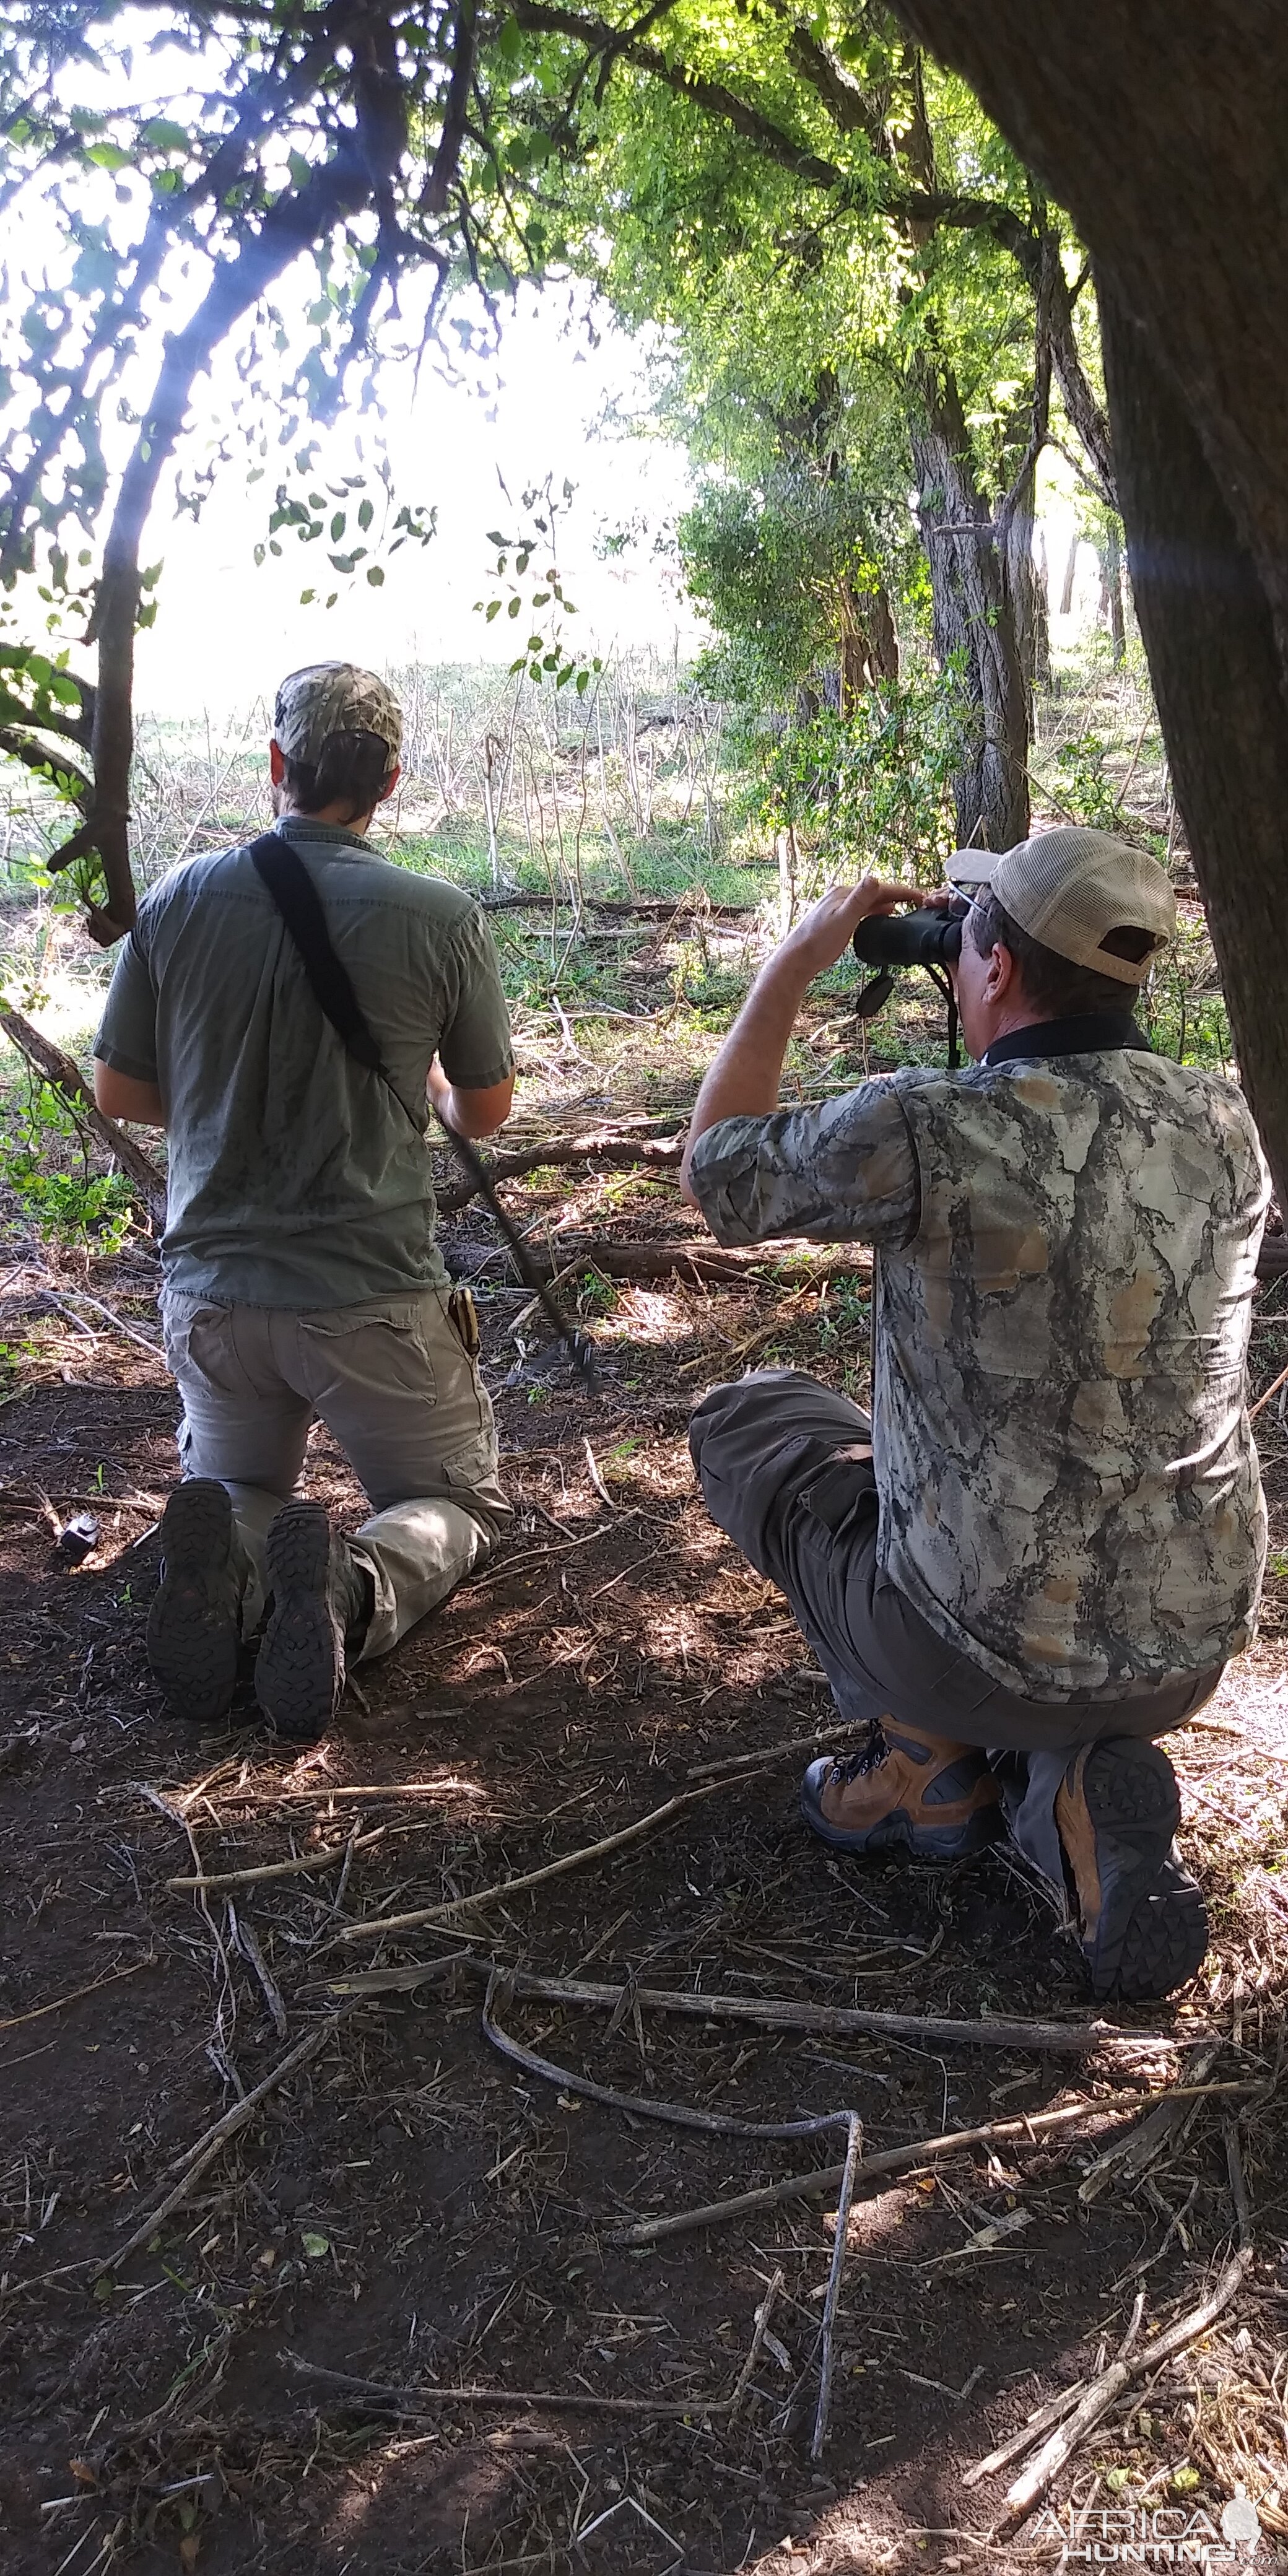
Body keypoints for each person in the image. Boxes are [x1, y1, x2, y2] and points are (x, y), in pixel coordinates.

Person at [681, 829, 1269, 2002]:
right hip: (1191, 1641)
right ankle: (1071, 1802)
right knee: (1039, 1573)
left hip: (970, 1641)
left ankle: (924, 1760)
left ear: (992, 969)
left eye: (968, 945)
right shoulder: (1224, 1120)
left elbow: (716, 1172)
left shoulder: (928, 1126)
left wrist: (798, 956)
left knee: (752, 1421)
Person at [93, 661, 516, 1740]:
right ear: (390, 784)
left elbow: (121, 1091)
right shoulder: (439, 916)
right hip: (370, 1300)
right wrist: (413, 1081)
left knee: (238, 1486)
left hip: (215, 1302)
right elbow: (483, 1113)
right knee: (466, 1505)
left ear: (277, 765)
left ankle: (228, 1561)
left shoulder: (180, 900)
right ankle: (348, 1587)